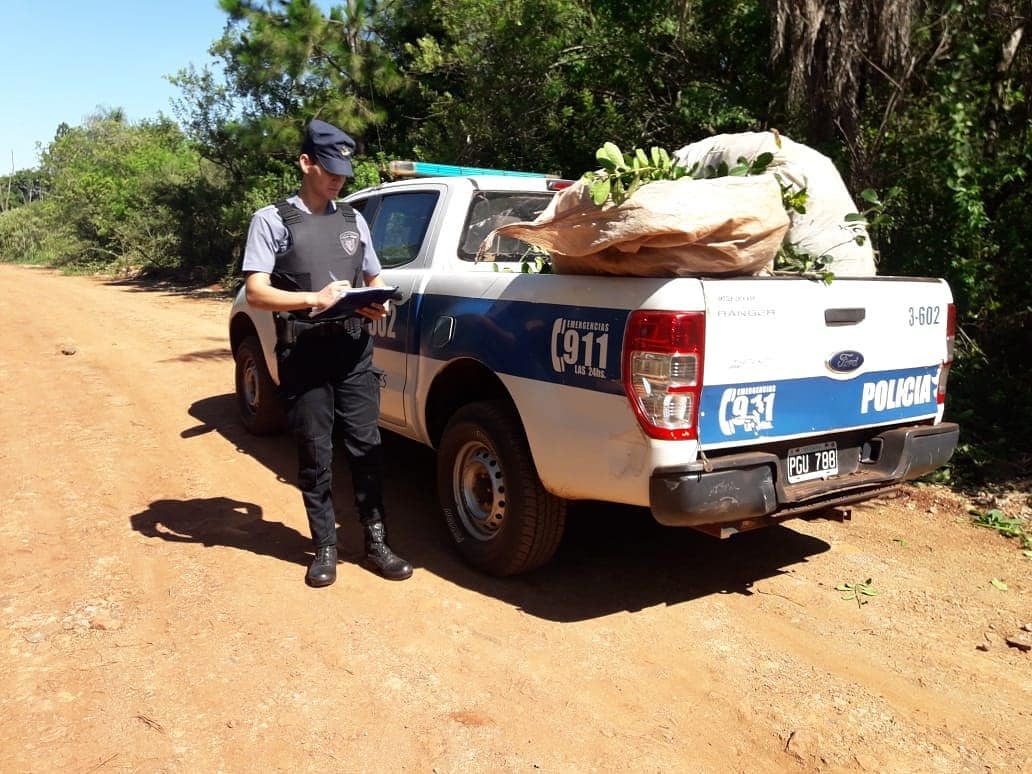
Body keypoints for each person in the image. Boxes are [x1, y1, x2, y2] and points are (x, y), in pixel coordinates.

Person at [241, 118, 413, 587]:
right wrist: (313, 300)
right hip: (306, 354)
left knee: (367, 448)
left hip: (354, 350)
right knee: (315, 453)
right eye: (329, 167)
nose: (338, 177)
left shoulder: (354, 220)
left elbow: (373, 278)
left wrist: (376, 300)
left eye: (344, 168)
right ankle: (324, 547)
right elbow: (256, 292)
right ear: (305, 162)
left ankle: (376, 543)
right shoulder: (272, 220)